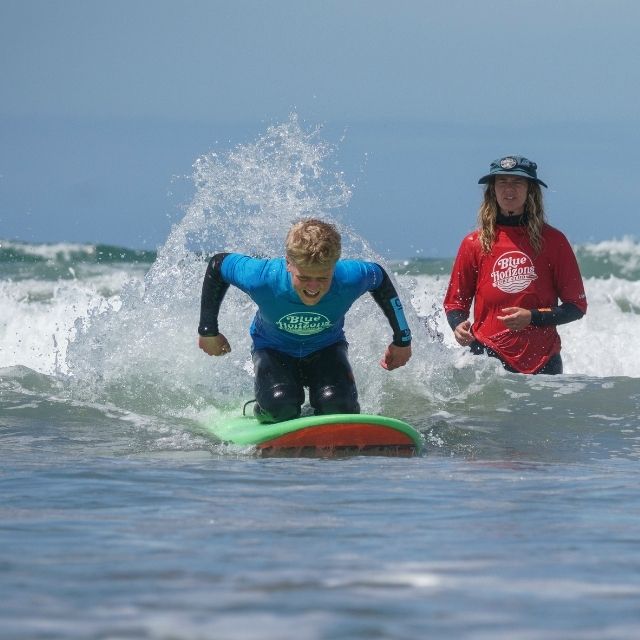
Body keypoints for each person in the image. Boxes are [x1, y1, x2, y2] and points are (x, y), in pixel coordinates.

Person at [198, 218, 412, 422]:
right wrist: (208, 331)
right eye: (304, 277)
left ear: (334, 266)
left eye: (322, 278)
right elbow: (218, 264)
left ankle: (316, 404)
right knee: (281, 407)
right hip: (273, 350)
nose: (312, 287)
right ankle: (261, 408)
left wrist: (402, 340)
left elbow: (380, 279)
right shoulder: (263, 276)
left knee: (338, 407)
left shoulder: (350, 276)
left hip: (327, 348)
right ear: (288, 263)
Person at [443, 155, 587, 374]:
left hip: (543, 361)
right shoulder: (474, 243)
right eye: (502, 182)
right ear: (492, 190)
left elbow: (576, 306)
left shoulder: (554, 241)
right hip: (486, 358)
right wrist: (458, 325)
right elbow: (455, 303)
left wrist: (532, 317)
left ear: (531, 190)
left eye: (517, 182)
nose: (509, 189)